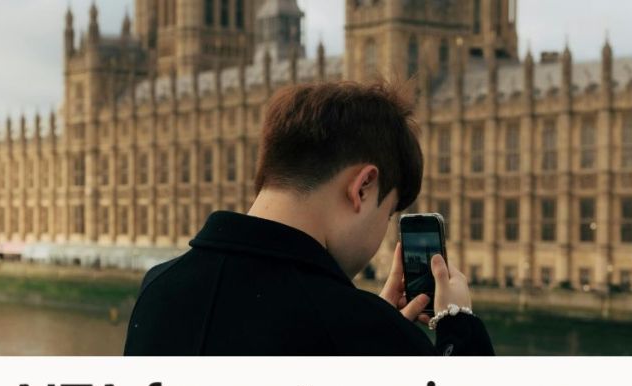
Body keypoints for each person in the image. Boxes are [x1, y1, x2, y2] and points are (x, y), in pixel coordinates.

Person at [123, 80, 494, 356]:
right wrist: (458, 323)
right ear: (363, 187)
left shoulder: (158, 289)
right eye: (389, 213)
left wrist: (368, 322)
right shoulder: (366, 337)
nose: (383, 233)